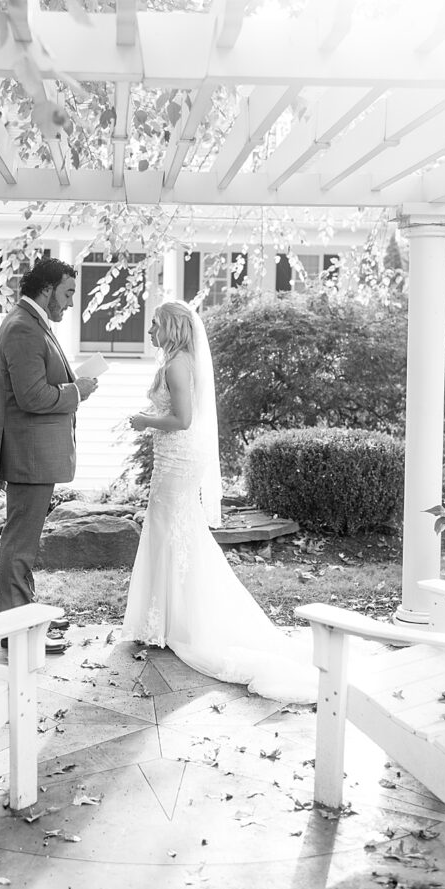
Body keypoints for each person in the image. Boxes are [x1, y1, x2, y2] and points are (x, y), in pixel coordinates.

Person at [121, 300, 317, 703]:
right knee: (172, 533)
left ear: (172, 328)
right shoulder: (179, 360)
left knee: (170, 530)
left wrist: (144, 422)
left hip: (177, 458)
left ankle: (175, 623)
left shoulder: (178, 364)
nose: (149, 331)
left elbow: (183, 420)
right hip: (174, 457)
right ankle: (168, 620)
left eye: (154, 324)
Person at [0, 257, 98, 655]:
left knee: (23, 543)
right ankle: (16, 631)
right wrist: (77, 391)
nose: (69, 303)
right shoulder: (22, 329)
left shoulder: (29, 324)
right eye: (67, 293)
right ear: (47, 289)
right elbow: (32, 396)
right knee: (19, 544)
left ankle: (24, 615)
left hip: (32, 455)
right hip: (28, 456)